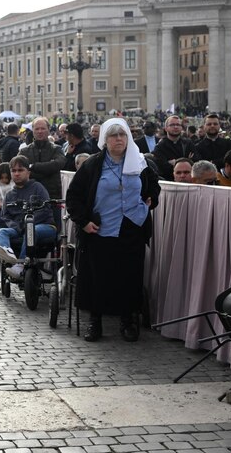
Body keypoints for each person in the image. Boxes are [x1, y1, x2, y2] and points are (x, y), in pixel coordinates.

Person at [66, 119, 160, 343]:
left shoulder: (141, 163)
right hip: (100, 229)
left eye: (122, 135)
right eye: (113, 136)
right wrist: (84, 222)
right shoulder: (93, 164)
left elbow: (154, 186)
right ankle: (95, 322)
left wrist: (151, 200)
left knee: (129, 277)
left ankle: (127, 321)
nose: (118, 139)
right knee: (98, 278)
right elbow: (74, 196)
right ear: (104, 140)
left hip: (131, 229)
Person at [0, 155, 56, 279]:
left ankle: (20, 265)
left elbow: (45, 209)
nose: (16, 174)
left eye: (20, 170)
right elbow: (5, 216)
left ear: (28, 172)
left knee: (32, 230)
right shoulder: (10, 194)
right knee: (1, 232)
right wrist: (18, 226)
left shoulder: (38, 188)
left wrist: (28, 224)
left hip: (44, 226)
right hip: (19, 229)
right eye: (13, 171)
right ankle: (8, 253)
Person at [153, 115, 196, 181]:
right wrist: (186, 160)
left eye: (178, 125)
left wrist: (174, 162)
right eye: (172, 125)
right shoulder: (160, 147)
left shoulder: (188, 143)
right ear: (166, 128)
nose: (175, 127)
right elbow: (162, 167)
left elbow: (195, 161)